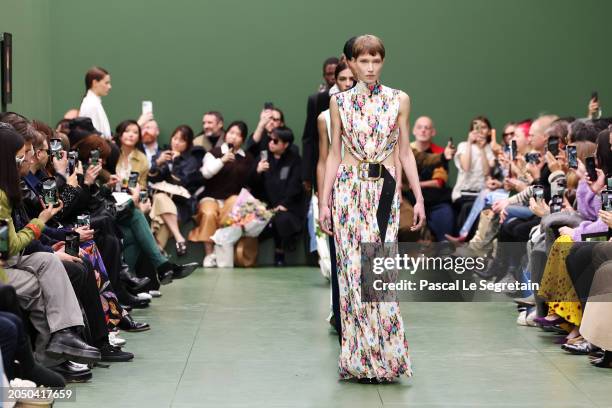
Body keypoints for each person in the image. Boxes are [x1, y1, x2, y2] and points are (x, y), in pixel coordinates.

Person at [319, 34, 425, 383]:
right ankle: (357, 358)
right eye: (362, 61)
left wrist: (419, 196)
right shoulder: (339, 103)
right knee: (351, 275)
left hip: (385, 190)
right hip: (348, 190)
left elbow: (406, 151)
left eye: (375, 60)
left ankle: (387, 358)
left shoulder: (399, 99)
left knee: (378, 273)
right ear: (349, 63)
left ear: (382, 62)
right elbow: (334, 154)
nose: (369, 67)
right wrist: (324, 201)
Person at [189, 121, 255, 267]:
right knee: (209, 213)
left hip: (231, 199)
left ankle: (221, 248)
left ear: (243, 139)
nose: (233, 137)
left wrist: (259, 171)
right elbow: (206, 173)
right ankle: (209, 254)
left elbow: (250, 181)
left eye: (238, 135)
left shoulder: (247, 158)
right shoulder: (214, 153)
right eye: (231, 133)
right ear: (226, 135)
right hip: (210, 197)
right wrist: (222, 160)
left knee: (236, 202)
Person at [148, 125, 205, 254]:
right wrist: (158, 163)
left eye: (181, 140)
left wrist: (176, 162)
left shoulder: (191, 160)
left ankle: (158, 253)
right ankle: (179, 238)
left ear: (188, 143)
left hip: (180, 203)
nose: (176, 142)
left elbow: (182, 182)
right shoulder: (160, 155)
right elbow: (152, 180)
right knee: (160, 197)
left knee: (160, 214)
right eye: (175, 138)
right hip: (159, 200)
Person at [253, 127, 304, 266]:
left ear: (285, 144)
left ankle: (280, 252)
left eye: (275, 141)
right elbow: (251, 183)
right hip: (264, 205)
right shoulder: (263, 158)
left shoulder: (294, 160)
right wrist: (257, 171)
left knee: (281, 218)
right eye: (270, 140)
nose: (271, 143)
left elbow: (295, 187)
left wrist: (284, 204)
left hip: (287, 206)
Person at [302, 56, 339, 194]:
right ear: (324, 76)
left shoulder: (352, 96)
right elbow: (309, 138)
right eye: (329, 74)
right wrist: (306, 174)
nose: (332, 77)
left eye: (335, 73)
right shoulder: (316, 100)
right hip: (323, 160)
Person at [79, 66, 112, 139]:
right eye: (106, 83)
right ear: (95, 83)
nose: (109, 87)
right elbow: (95, 138)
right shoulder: (91, 105)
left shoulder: (94, 103)